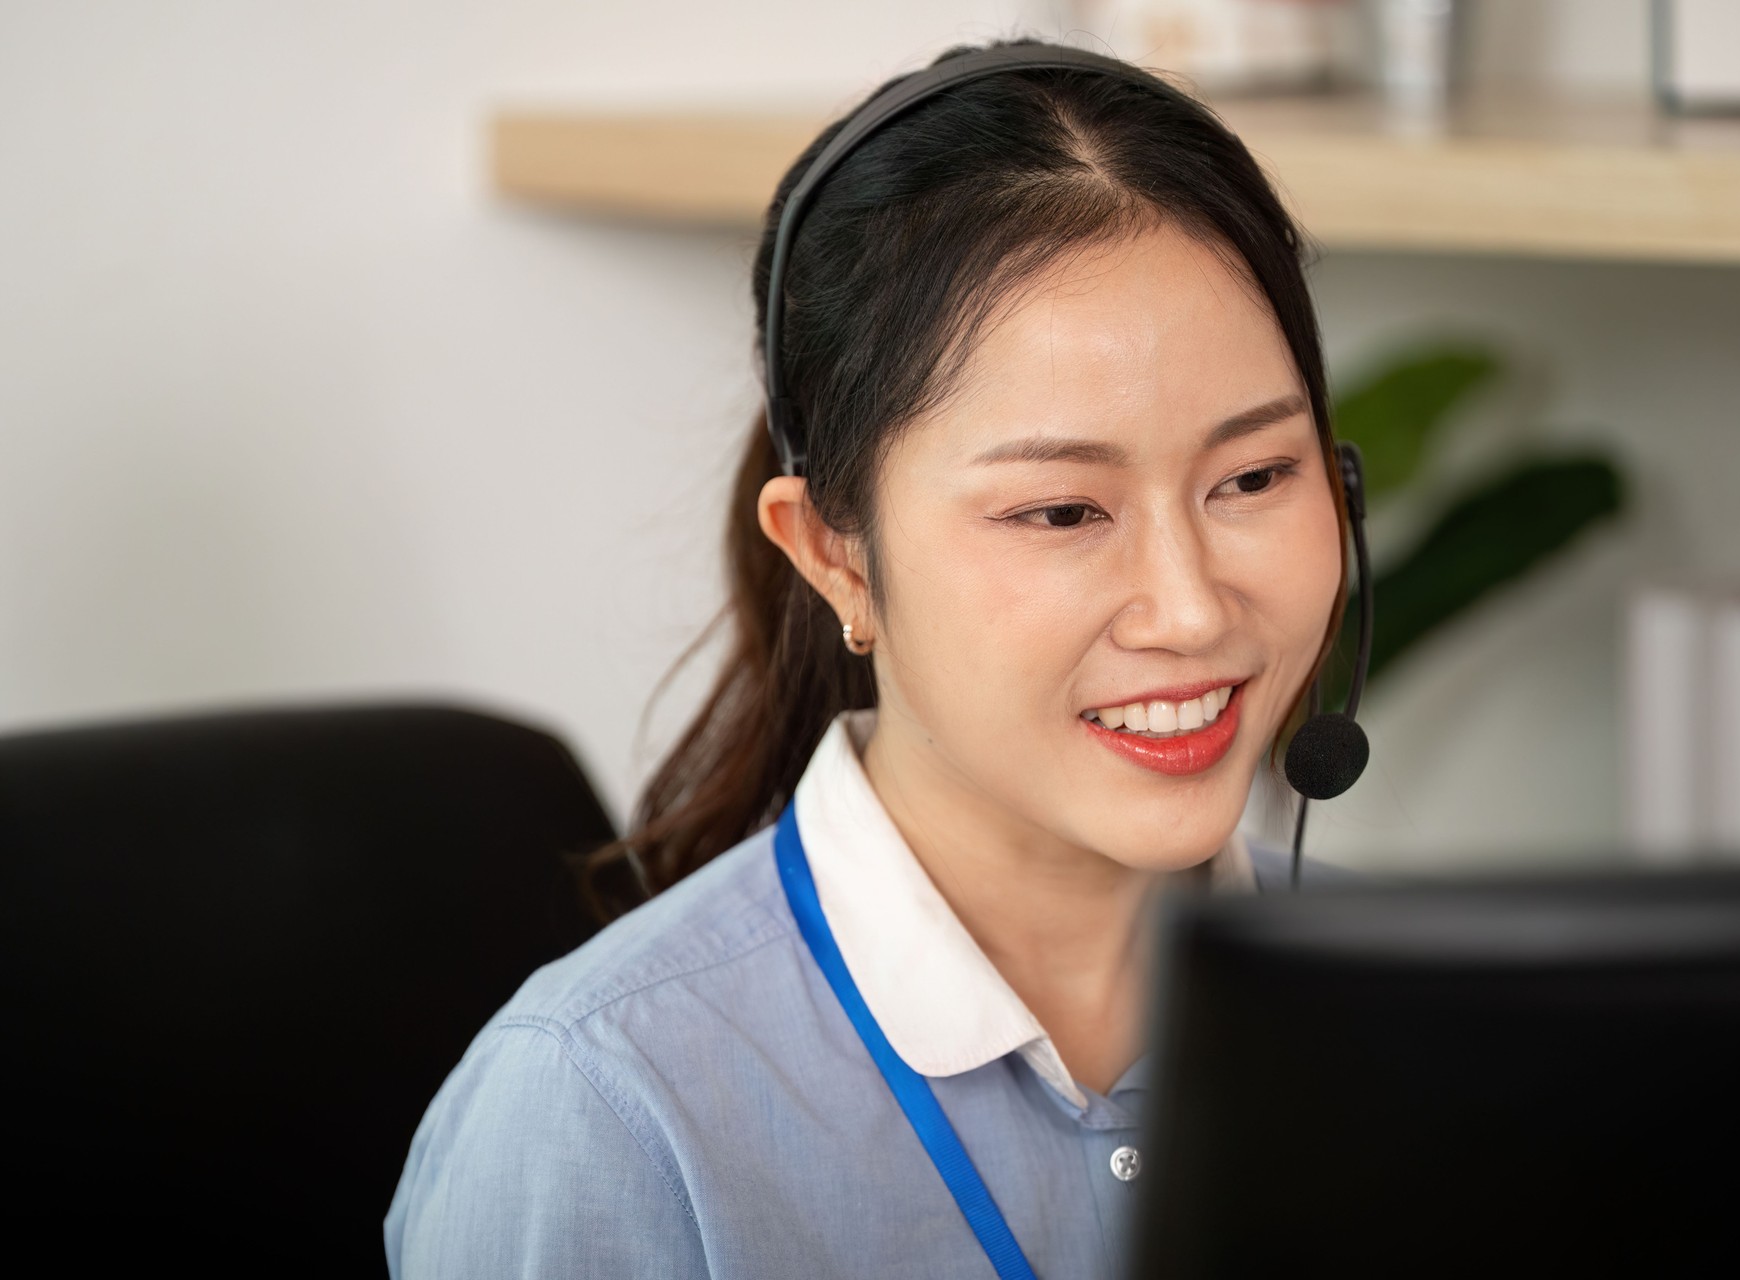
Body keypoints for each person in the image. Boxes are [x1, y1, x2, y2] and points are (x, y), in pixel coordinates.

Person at [385, 36, 1354, 1279]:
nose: (1187, 608)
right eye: (1061, 510)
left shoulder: (1416, 1016)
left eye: (1255, 477)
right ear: (836, 554)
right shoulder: (605, 1113)